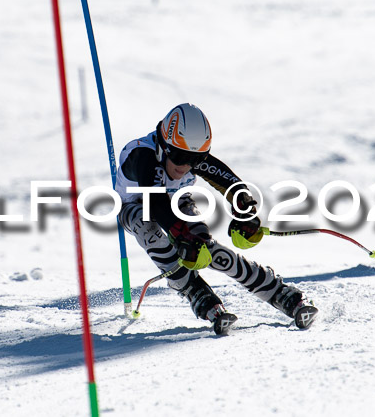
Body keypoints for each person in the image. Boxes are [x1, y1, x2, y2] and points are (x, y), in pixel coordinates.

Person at [115, 103, 318, 334]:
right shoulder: (142, 155)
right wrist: (180, 233)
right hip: (135, 206)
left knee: (205, 246)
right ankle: (195, 291)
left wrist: (245, 209)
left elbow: (231, 183)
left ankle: (280, 293)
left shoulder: (187, 157)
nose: (186, 166)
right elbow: (155, 202)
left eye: (196, 159)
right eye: (180, 157)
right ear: (164, 145)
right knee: (149, 228)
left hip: (176, 201)